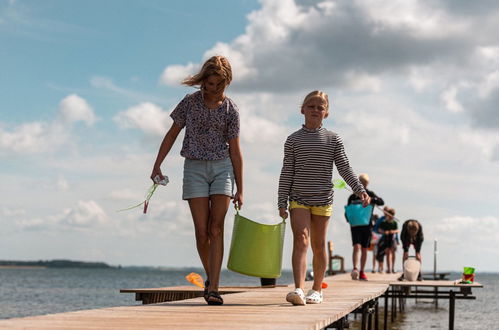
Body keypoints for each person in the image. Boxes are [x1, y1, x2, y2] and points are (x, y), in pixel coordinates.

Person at [150, 55, 243, 305]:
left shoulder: (230, 109)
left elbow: (235, 150)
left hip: (223, 168)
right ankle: (211, 279)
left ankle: (213, 287)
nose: (212, 89)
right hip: (194, 168)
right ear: (202, 81)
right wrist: (157, 164)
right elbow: (171, 134)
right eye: (209, 84)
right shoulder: (189, 103)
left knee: (216, 227)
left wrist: (241, 188)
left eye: (218, 85)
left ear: (226, 83)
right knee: (202, 232)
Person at [278, 90, 370, 305]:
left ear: (326, 113)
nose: (315, 110)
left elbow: (344, 167)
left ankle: (317, 289)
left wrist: (359, 189)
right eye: (311, 106)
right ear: (302, 110)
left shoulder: (333, 139)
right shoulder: (292, 140)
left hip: (323, 199)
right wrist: (282, 201)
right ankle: (299, 289)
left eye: (320, 107)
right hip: (298, 197)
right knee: (301, 240)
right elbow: (286, 172)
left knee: (318, 245)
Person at [347, 173, 384, 281]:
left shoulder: (370, 194)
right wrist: (349, 220)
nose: (364, 185)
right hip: (355, 225)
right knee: (357, 246)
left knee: (364, 248)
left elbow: (381, 202)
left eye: (365, 183)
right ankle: (355, 269)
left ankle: (362, 271)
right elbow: (348, 211)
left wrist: (371, 200)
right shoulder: (352, 196)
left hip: (367, 225)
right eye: (362, 182)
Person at [377, 207, 398, 274]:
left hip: (393, 239)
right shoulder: (384, 222)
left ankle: (393, 268)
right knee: (388, 253)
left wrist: (393, 231)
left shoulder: (394, 223)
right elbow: (379, 230)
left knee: (393, 253)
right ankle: (389, 268)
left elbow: (397, 230)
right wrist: (384, 232)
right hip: (386, 238)